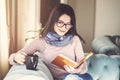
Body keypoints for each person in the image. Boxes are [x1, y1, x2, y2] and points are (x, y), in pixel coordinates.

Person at [9, 3, 93, 80]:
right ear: (53, 21)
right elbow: (12, 57)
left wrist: (78, 69)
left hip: (77, 77)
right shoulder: (41, 41)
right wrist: (16, 58)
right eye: (60, 23)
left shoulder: (74, 39)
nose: (64, 28)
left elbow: (84, 66)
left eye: (68, 24)